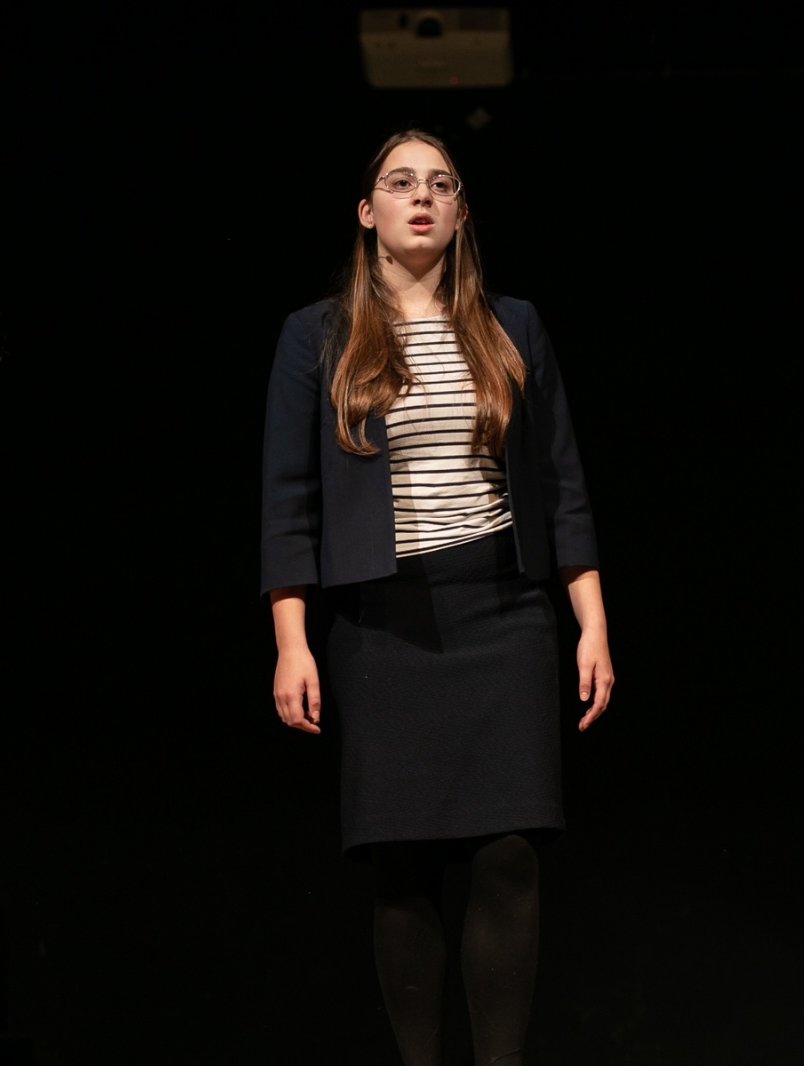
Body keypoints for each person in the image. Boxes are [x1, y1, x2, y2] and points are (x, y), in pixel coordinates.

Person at [261, 130, 614, 1065]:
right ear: (367, 210)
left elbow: (562, 484)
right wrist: (292, 641)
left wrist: (591, 624)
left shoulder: (512, 325)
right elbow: (288, 502)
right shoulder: (317, 334)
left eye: (441, 185)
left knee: (508, 854)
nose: (421, 197)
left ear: (460, 213)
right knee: (404, 861)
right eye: (400, 182)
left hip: (504, 612)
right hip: (386, 625)